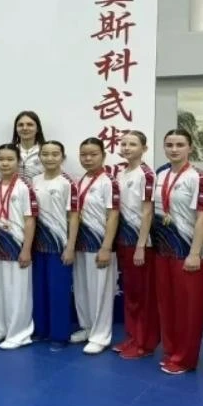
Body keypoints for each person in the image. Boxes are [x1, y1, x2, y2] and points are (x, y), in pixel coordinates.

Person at [152, 129, 203, 375]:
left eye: (179, 145)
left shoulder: (198, 178)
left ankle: (185, 359)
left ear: (190, 147)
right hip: (163, 248)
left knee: (189, 309)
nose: (174, 149)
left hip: (188, 250)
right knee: (167, 305)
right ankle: (171, 351)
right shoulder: (161, 174)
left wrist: (195, 252)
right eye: (169, 145)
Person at [0, 143, 37, 350]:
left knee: (18, 293)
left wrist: (26, 249)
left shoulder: (25, 187)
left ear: (18, 162)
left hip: (17, 246)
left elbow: (30, 220)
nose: (4, 163)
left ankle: (19, 333)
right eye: (0, 159)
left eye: (9, 159)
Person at [70, 138, 120, 355]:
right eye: (84, 155)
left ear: (103, 156)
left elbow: (113, 215)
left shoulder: (109, 182)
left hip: (100, 244)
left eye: (93, 154)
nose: (88, 159)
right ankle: (88, 327)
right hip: (81, 244)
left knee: (100, 292)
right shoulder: (80, 181)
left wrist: (106, 247)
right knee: (83, 289)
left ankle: (101, 336)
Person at [115, 131, 160, 360]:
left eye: (133, 144)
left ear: (144, 148)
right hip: (124, 240)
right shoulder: (122, 173)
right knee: (131, 293)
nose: (127, 148)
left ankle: (144, 343)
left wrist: (141, 245)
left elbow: (147, 211)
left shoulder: (146, 175)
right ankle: (132, 337)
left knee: (143, 295)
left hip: (141, 243)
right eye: (124, 144)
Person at [31, 141, 78, 350]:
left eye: (55, 154)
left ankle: (59, 335)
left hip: (59, 245)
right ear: (40, 157)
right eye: (45, 154)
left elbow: (74, 216)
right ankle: (41, 330)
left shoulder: (68, 183)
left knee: (58, 292)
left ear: (62, 157)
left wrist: (70, 246)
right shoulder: (34, 180)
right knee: (39, 290)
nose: (50, 158)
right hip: (37, 244)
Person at [11, 111, 46, 182]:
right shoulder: (10, 151)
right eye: (20, 125)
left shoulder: (46, 151)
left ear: (38, 128)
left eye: (30, 124)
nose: (24, 128)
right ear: (16, 129)